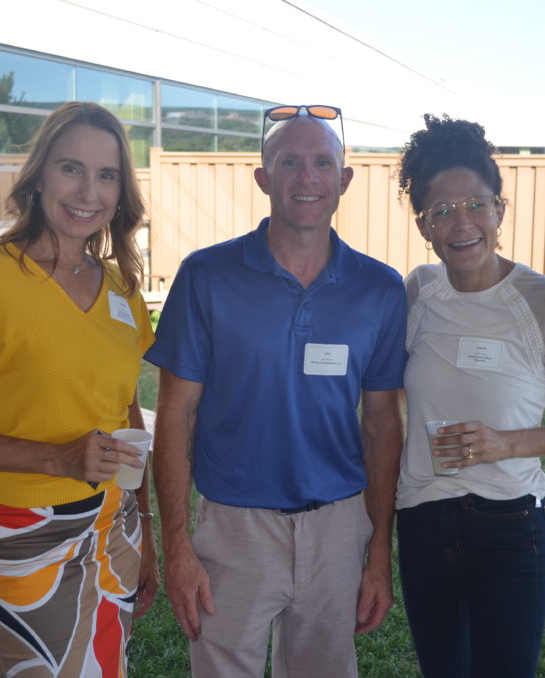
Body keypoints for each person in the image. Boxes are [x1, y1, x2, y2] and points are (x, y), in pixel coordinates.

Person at [145, 104, 407, 678]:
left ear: (344, 180)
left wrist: (378, 552)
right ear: (263, 178)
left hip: (338, 528)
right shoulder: (206, 276)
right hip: (233, 528)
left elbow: (382, 424)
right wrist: (177, 546)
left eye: (322, 163)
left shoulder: (380, 290)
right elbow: (176, 414)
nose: (306, 177)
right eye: (289, 162)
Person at [0, 101, 158, 677]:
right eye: (71, 168)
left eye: (107, 175)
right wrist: (57, 458)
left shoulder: (120, 286)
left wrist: (144, 527)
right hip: (26, 534)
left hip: (115, 526)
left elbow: (127, 411)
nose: (89, 192)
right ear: (40, 174)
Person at [394, 113, 545, 678]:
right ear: (424, 227)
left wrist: (505, 443)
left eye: (476, 205)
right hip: (422, 521)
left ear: (500, 210)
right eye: (442, 211)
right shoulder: (417, 291)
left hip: (510, 524)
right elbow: (385, 395)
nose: (462, 223)